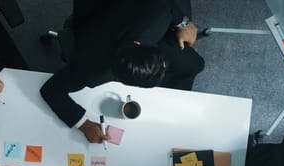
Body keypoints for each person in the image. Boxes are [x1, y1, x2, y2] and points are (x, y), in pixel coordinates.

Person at [40, 0, 204, 143]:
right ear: (122, 81)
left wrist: (183, 24)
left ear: (139, 44)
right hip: (97, 34)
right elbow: (51, 90)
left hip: (130, 13)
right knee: (192, 65)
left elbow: (166, 4)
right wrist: (84, 125)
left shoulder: (155, 17)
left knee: (195, 65)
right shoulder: (90, 71)